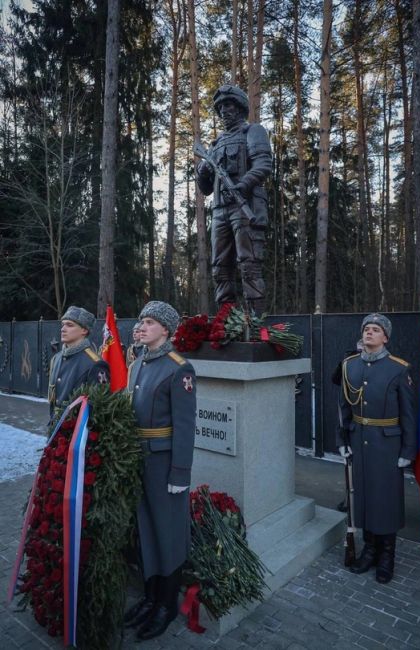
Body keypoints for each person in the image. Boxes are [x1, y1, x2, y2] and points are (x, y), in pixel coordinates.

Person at [124, 301, 196, 641]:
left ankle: (166, 605)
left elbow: (185, 426)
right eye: (141, 320)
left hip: (164, 464)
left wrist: (180, 474)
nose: (142, 326)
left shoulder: (178, 368)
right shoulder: (137, 364)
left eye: (149, 322)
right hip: (138, 460)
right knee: (146, 531)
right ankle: (150, 598)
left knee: (167, 534)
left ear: (165, 330)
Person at [336, 313, 416, 584]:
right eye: (366, 329)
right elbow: (344, 408)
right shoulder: (350, 366)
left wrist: (407, 451)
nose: (369, 333)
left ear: (385, 337)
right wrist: (343, 440)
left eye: (375, 330)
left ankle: (387, 557)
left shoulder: (398, 368)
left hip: (388, 444)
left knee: (386, 500)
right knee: (365, 498)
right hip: (359, 440)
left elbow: (408, 414)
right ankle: (369, 551)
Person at [196, 84, 272, 315]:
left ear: (239, 107)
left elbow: (263, 164)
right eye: (219, 108)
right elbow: (206, 189)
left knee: (249, 266)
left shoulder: (253, 132)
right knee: (220, 268)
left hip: (246, 205)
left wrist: (242, 185)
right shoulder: (215, 144)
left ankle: (256, 324)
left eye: (227, 105)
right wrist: (203, 171)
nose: (223, 112)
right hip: (220, 211)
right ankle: (226, 322)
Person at [48, 306, 109, 420]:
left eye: (69, 325)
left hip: (77, 432)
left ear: (84, 330)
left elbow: (98, 408)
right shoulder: (56, 358)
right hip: (55, 428)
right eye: (63, 324)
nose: (63, 329)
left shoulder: (95, 363)